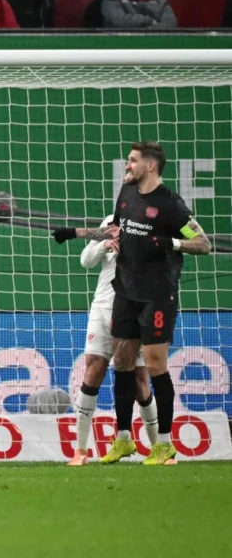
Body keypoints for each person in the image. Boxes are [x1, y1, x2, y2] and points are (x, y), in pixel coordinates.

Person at [52, 141, 212, 466]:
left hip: (155, 295)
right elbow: (113, 230)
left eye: (132, 160)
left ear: (150, 166)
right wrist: (75, 233)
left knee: (153, 369)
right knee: (121, 364)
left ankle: (164, 445)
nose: (127, 166)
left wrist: (169, 241)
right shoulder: (125, 195)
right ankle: (122, 439)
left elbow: (203, 243)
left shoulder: (171, 205)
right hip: (122, 292)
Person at [65, 214, 157, 467]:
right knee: (94, 367)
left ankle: (158, 448)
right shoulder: (110, 222)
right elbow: (85, 261)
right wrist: (104, 244)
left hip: (134, 311)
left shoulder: (150, 225)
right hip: (103, 309)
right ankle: (80, 451)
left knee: (140, 382)